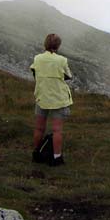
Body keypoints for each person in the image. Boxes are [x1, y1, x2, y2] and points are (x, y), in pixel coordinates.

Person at [30, 33, 73, 166]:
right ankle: (56, 158)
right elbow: (68, 76)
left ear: (45, 44)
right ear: (58, 46)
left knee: (39, 128)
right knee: (57, 130)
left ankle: (36, 154)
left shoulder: (37, 58)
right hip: (58, 98)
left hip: (41, 96)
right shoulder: (62, 60)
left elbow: (34, 73)